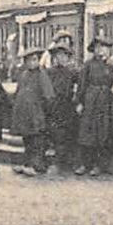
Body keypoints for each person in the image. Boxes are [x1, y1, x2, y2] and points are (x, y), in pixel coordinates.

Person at [73, 38, 113, 177]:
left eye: (104, 47)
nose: (101, 50)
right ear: (94, 50)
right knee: (86, 132)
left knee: (103, 133)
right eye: (98, 48)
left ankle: (99, 165)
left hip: (105, 102)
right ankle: (84, 164)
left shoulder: (111, 64)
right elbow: (82, 84)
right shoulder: (88, 65)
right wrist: (79, 102)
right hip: (90, 100)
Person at [10, 47, 56, 176]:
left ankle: (36, 165)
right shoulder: (24, 75)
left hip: (37, 113)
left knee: (37, 140)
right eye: (28, 60)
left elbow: (48, 95)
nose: (31, 63)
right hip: (24, 113)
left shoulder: (41, 75)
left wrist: (44, 111)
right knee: (27, 139)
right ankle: (27, 163)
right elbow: (19, 91)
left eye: (34, 60)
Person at [44, 42, 80, 174]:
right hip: (53, 107)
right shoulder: (49, 72)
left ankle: (67, 162)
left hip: (67, 106)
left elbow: (81, 85)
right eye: (58, 55)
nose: (61, 58)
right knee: (55, 135)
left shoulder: (73, 72)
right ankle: (56, 163)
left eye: (64, 55)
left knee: (68, 135)